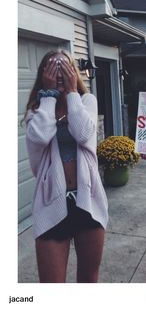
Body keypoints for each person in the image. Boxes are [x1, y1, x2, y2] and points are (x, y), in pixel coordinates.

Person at [23, 49, 108, 282]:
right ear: (43, 74)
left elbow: (83, 134)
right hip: (51, 201)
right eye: (52, 68)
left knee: (88, 281)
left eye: (64, 68)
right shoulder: (37, 109)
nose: (59, 73)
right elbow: (40, 137)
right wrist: (49, 97)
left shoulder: (86, 101)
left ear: (74, 72)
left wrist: (72, 93)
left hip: (87, 201)